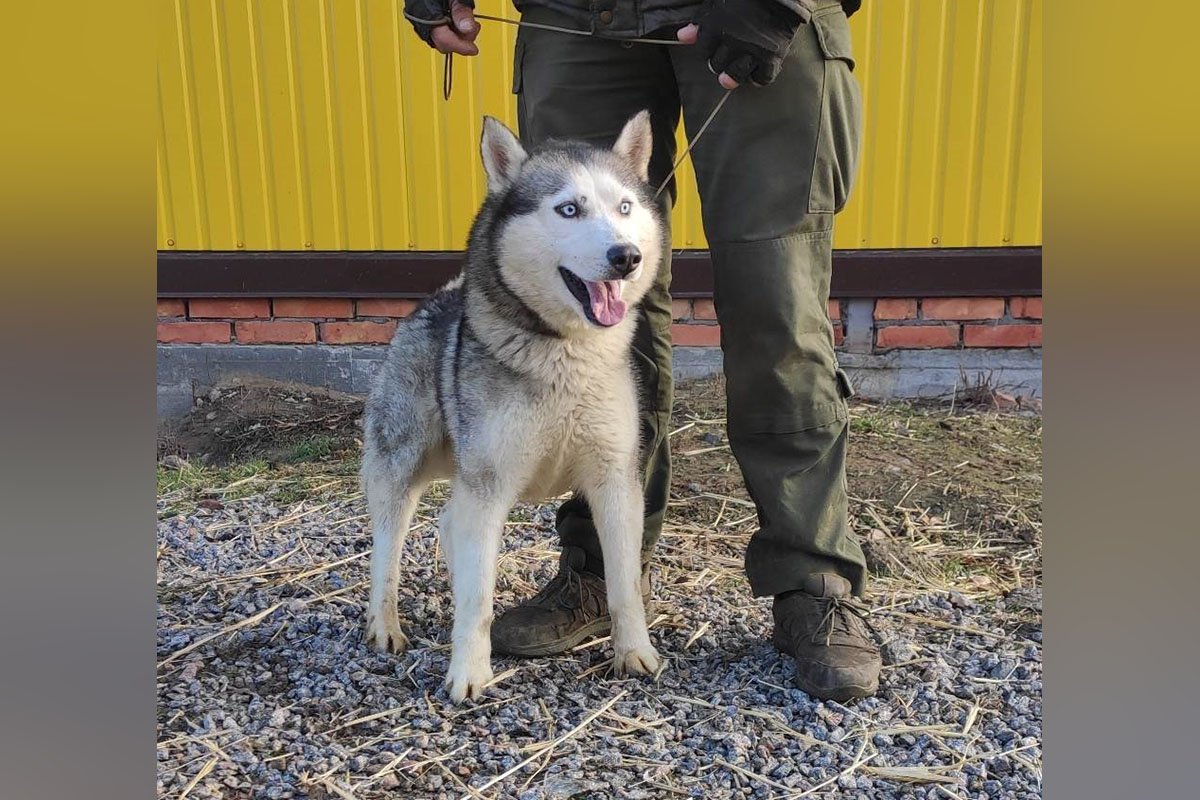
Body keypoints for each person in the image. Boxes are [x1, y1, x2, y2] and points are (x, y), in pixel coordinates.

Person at [404, 0, 881, 701]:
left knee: (776, 302)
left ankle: (813, 576)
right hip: (579, 18)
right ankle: (602, 570)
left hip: (754, 12)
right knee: (584, 305)